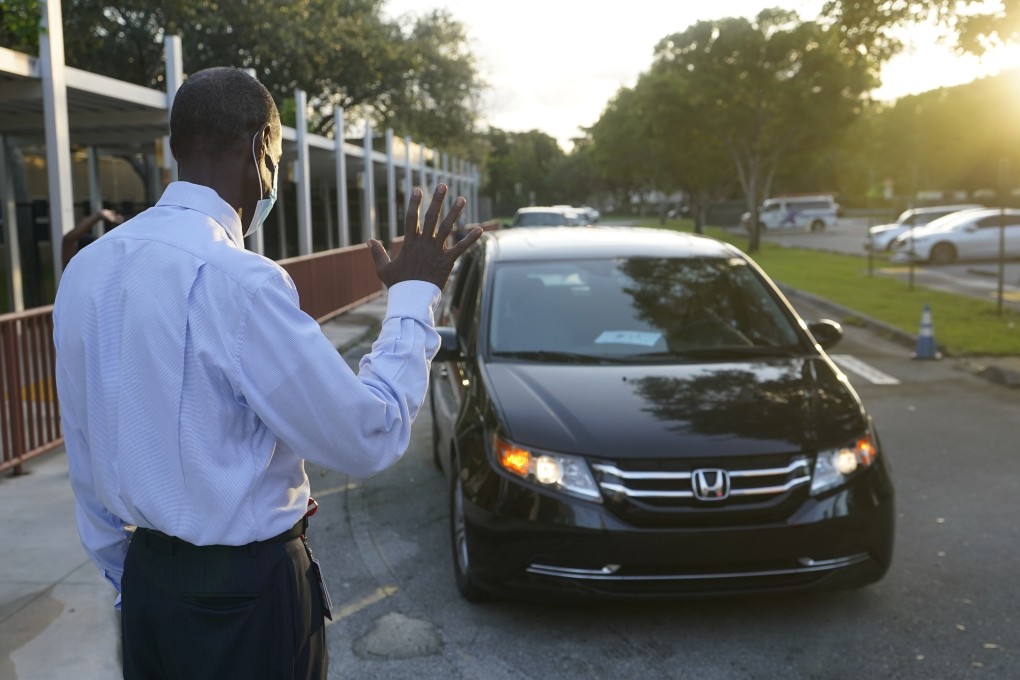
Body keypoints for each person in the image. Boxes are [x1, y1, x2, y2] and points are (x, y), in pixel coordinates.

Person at [52, 66, 481, 680]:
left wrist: (135, 585)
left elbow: (85, 452)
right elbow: (368, 435)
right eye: (278, 159)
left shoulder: (86, 272)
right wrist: (414, 296)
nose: (274, 181)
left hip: (148, 590)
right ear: (260, 148)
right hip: (244, 603)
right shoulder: (239, 280)